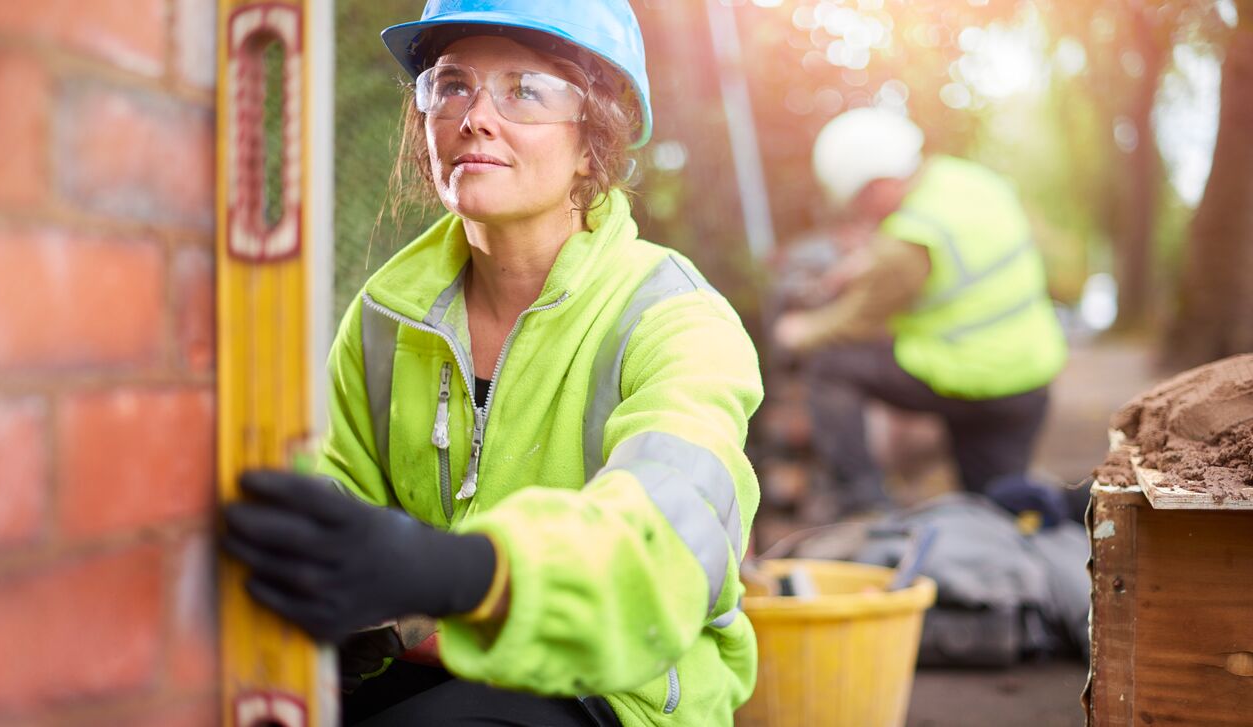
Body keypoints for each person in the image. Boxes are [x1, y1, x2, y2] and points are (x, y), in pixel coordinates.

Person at [221, 1, 764, 725]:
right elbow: (334, 489)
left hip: (618, 688)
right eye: (450, 86)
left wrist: (462, 571)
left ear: (592, 142)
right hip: (427, 658)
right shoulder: (388, 315)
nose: (475, 116)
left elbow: (668, 542)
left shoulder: (675, 318)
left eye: (524, 90)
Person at [773, 107, 1066, 517]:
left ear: (876, 187)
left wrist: (798, 331)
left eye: (860, 203)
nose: (864, 214)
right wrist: (867, 262)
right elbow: (951, 256)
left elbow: (855, 322)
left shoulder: (905, 244)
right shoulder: (965, 180)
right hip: (1027, 378)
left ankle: (864, 502)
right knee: (997, 509)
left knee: (830, 365)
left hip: (969, 378)